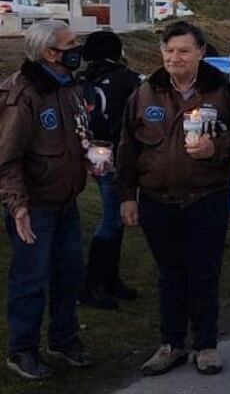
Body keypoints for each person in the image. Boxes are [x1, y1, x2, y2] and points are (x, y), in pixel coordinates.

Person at [117, 21, 230, 377]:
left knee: (204, 273)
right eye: (169, 51)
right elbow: (127, 149)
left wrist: (216, 148)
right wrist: (127, 196)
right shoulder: (145, 92)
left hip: (207, 197)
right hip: (157, 200)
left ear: (201, 52)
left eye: (184, 51)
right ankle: (171, 344)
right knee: (169, 275)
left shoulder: (223, 90)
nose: (175, 58)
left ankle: (206, 345)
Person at [0, 20, 95, 380]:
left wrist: (90, 156)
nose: (77, 50)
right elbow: (7, 157)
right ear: (49, 53)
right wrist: (17, 205)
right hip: (34, 208)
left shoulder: (68, 86)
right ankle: (22, 350)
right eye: (71, 45)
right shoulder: (22, 94)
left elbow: (75, 135)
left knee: (69, 273)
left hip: (66, 203)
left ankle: (64, 339)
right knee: (30, 279)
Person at [77, 30, 144, 311]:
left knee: (113, 216)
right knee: (112, 219)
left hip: (93, 154)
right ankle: (95, 282)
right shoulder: (128, 80)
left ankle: (108, 278)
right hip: (120, 155)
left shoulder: (82, 80)